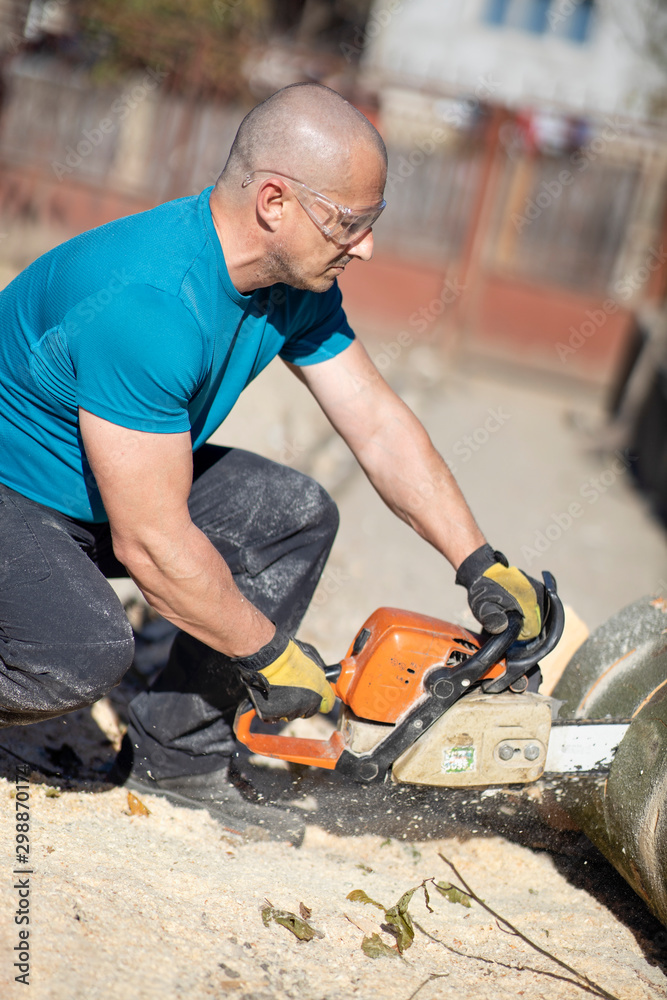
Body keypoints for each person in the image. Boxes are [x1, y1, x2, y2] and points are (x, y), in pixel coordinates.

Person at [0, 83, 542, 843]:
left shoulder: (293, 284)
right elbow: (151, 543)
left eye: (372, 222)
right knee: (77, 651)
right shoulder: (151, 302)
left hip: (87, 498)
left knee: (292, 516)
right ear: (275, 202)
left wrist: (479, 561)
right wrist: (268, 652)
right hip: (11, 494)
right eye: (350, 222)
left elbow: (378, 427)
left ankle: (180, 757)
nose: (366, 246)